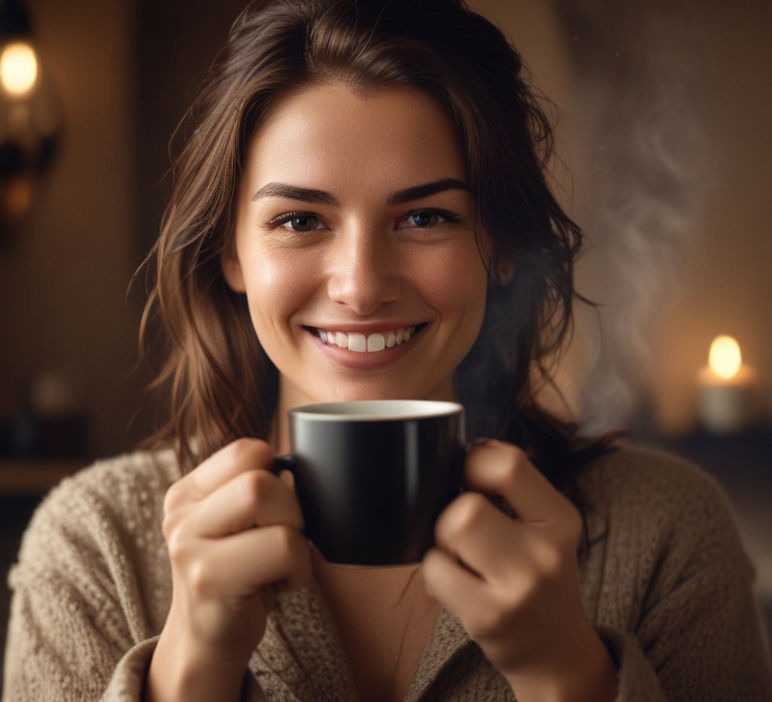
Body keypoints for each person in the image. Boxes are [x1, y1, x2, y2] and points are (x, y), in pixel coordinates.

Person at [3, 0, 771, 700]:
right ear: (231, 253)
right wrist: (190, 673)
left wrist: (566, 672)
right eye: (300, 221)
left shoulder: (666, 533)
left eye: (426, 217)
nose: (362, 287)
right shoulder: (95, 546)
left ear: (502, 246)